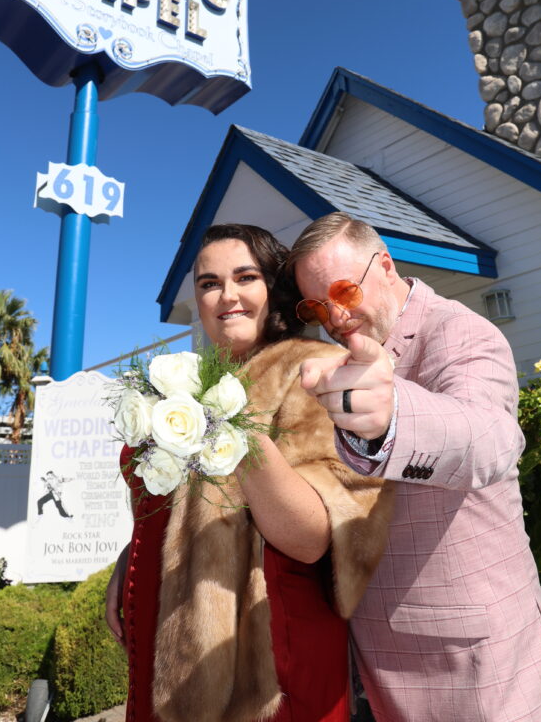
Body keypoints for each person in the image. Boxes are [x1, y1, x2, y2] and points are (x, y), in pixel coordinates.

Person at [293, 212, 541, 722]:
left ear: (384, 265)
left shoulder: (462, 332)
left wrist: (393, 417)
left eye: (344, 291)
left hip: (471, 670)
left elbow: (491, 439)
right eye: (317, 305)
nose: (334, 317)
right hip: (376, 660)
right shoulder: (338, 363)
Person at [105, 223, 394, 722]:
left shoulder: (315, 371)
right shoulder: (183, 384)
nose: (227, 296)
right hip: (168, 640)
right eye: (209, 282)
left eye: (245, 277)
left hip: (268, 667)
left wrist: (233, 431)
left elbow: (311, 538)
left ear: (273, 289)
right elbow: (171, 510)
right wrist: (128, 563)